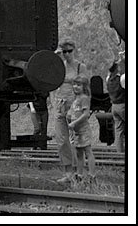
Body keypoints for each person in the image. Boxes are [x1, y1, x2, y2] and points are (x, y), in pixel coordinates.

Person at [52, 39, 87, 185]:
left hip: (75, 106)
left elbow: (86, 88)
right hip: (61, 104)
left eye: (69, 51)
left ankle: (80, 173)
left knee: (77, 141)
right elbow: (51, 82)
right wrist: (55, 57)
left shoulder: (80, 67)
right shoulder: (59, 67)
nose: (67, 54)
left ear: (74, 50)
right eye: (64, 51)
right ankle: (68, 173)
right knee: (61, 140)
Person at [67, 75, 96, 182]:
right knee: (79, 153)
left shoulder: (84, 98)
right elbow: (73, 112)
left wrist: (74, 122)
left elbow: (85, 114)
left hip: (83, 130)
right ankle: (79, 174)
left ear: (84, 87)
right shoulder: (76, 99)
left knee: (88, 151)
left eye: (78, 85)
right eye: (74, 84)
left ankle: (92, 174)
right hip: (76, 131)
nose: (75, 87)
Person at [106, 55, 126, 154]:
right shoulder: (122, 78)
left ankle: (119, 152)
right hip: (123, 105)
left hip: (114, 106)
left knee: (118, 131)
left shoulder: (108, 79)